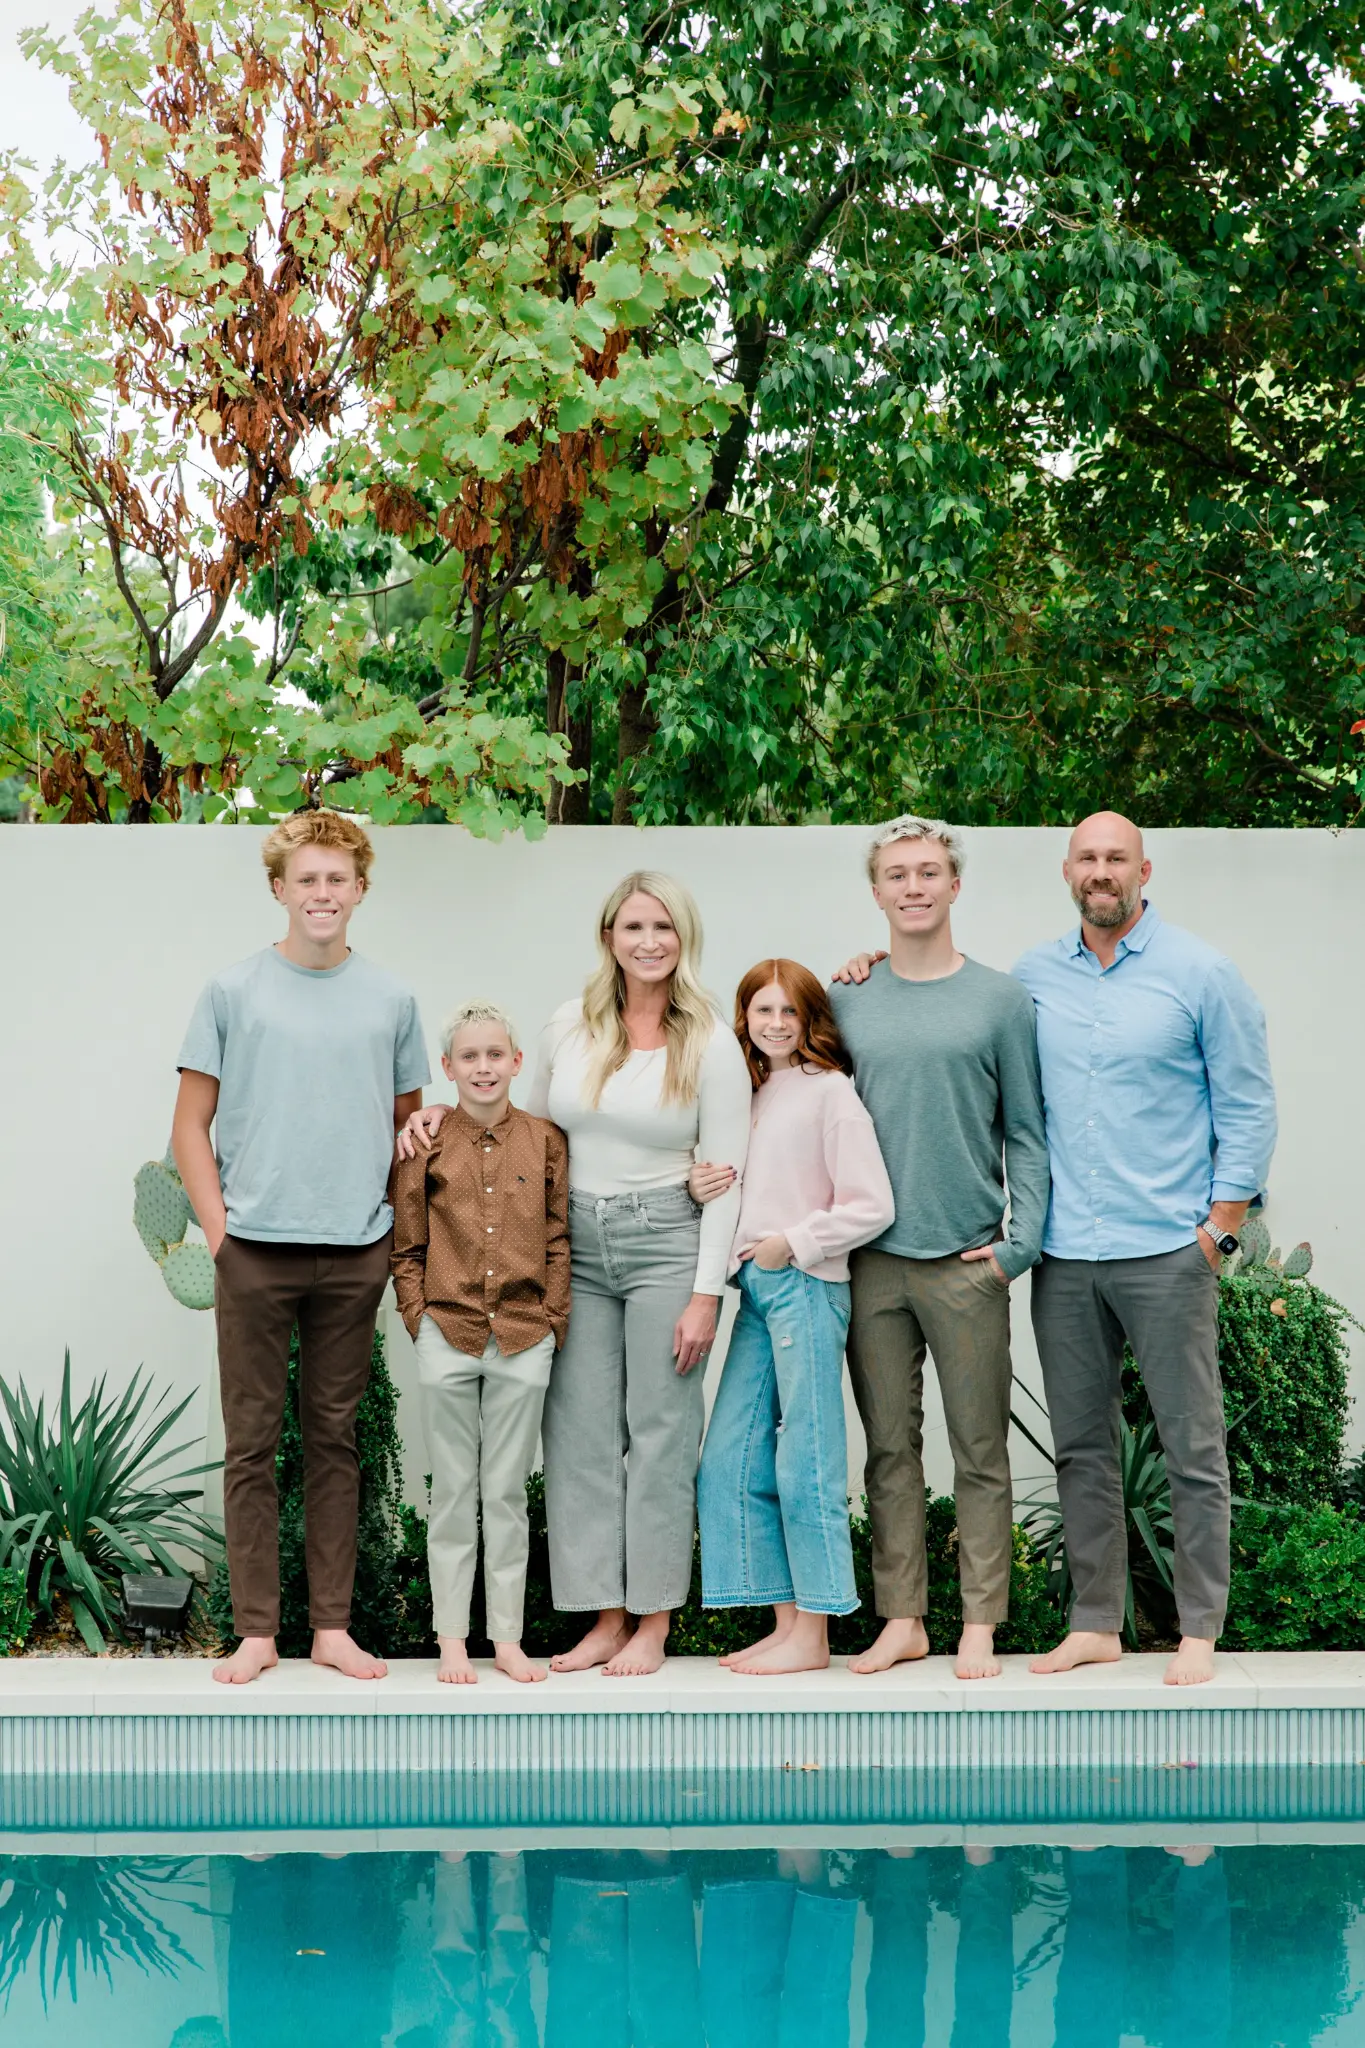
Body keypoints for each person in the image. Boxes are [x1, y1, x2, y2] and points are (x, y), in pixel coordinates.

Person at [401, 872, 751, 1676]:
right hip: (572, 1252)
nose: (649, 941)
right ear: (608, 938)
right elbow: (516, 1135)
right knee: (580, 1437)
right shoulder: (569, 1027)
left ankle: (654, 1620)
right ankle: (604, 1615)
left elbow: (725, 1176)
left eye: (663, 926)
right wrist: (431, 1114)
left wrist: (706, 1294)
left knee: (660, 1435)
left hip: (667, 1239)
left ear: (682, 936)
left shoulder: (711, 1043)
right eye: (633, 926)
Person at [1014, 811, 1276, 1686]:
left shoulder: (1200, 972)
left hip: (1167, 1249)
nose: (1101, 871)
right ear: (1065, 872)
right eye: (1087, 858)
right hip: (1062, 1254)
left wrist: (1219, 1231)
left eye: (1115, 858)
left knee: (1190, 1444)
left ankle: (1199, 1627)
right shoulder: (1032, 978)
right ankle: (1095, 1622)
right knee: (1081, 1445)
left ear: (1142, 869)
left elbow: (1245, 1106)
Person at [172, 810, 429, 1685]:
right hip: (255, 1250)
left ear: (360, 890)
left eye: (337, 879)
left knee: (333, 1440)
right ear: (279, 889)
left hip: (353, 1250)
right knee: (250, 1442)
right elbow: (190, 1126)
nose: (322, 894)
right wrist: (220, 1235)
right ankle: (255, 1632)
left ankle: (330, 1629)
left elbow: (407, 1130)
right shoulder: (231, 992)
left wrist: (393, 1231)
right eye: (306, 879)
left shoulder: (392, 1000)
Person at [829, 816, 1050, 1680]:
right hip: (869, 1261)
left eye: (928, 872)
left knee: (979, 1451)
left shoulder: (999, 1001)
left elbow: (1026, 1134)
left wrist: (1016, 1247)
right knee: (888, 1450)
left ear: (954, 886)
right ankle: (902, 1619)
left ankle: (980, 1623)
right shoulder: (844, 999)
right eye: (896, 874)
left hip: (967, 1261)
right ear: (877, 891)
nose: (913, 886)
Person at [691, 959, 894, 1674]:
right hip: (756, 1288)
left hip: (804, 1285)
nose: (774, 1024)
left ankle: (814, 1634)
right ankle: (785, 1624)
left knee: (802, 1456)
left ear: (809, 1022)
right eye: (761, 1010)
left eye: (789, 1013)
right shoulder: (747, 1090)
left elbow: (871, 1204)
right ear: (742, 1017)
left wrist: (790, 1245)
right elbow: (738, 1178)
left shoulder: (829, 1091)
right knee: (729, 1458)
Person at [389, 1000, 570, 1685]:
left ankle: (506, 1640)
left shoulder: (546, 1141)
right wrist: (418, 1319)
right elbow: (406, 1245)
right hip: (449, 1331)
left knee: (505, 1494)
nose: (484, 1067)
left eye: (496, 1054)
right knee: (454, 1491)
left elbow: (557, 1238)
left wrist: (553, 1321)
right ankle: (452, 1639)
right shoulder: (425, 1142)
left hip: (524, 1336)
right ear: (448, 1068)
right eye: (469, 1056)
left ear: (516, 1062)